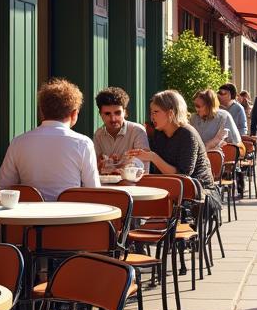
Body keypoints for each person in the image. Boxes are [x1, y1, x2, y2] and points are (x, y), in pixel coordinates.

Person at [0, 78, 99, 201]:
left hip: (29, 217)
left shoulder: (18, 142)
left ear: (41, 112)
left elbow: (3, 187)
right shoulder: (83, 143)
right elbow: (94, 191)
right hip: (69, 217)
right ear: (74, 113)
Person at [142, 90, 221, 220]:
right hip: (172, 194)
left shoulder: (187, 134)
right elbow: (156, 171)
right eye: (151, 112)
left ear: (171, 113)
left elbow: (183, 175)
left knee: (165, 212)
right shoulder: (158, 134)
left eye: (155, 112)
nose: (152, 117)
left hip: (199, 196)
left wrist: (153, 157)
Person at [93, 86, 151, 173]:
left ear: (125, 112)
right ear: (100, 114)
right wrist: (99, 165)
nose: (113, 119)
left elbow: (143, 169)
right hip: (105, 185)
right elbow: (94, 168)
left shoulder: (137, 131)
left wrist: (114, 168)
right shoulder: (98, 134)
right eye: (107, 114)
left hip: (134, 185)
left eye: (117, 113)